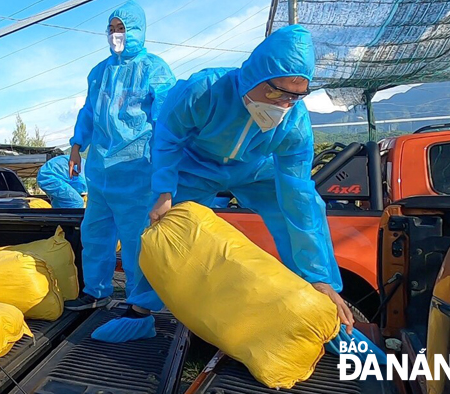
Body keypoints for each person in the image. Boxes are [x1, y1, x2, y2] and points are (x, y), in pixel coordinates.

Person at [91, 25, 387, 364]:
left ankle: (324, 312)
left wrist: (321, 277)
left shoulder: (294, 124)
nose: (285, 105)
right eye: (278, 94)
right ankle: (140, 311)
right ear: (254, 76)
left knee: (296, 215)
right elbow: (168, 137)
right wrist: (163, 191)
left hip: (255, 170)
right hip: (196, 166)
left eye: (296, 97)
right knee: (165, 232)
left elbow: (299, 197)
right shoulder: (204, 89)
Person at [64, 1, 176, 312]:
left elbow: (167, 121)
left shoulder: (155, 69)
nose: (116, 34)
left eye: (122, 28)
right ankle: (96, 292)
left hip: (137, 171)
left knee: (135, 241)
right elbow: (88, 113)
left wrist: (165, 170)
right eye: (112, 29)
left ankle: (139, 302)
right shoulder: (98, 72)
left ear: (137, 30)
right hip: (100, 171)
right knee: (95, 235)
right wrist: (76, 146)